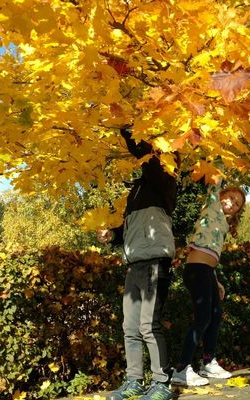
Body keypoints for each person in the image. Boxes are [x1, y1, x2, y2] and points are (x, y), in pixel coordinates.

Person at [98, 127, 177, 400]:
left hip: (156, 261)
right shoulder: (136, 194)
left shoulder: (164, 178)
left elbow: (147, 156)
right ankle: (134, 381)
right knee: (130, 328)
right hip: (134, 264)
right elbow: (132, 229)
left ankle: (161, 384)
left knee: (148, 326)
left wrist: (127, 129)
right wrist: (114, 235)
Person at [170, 174, 246, 387]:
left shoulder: (222, 224)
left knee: (215, 314)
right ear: (221, 194)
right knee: (203, 317)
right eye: (230, 197)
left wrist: (216, 281)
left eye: (236, 204)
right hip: (196, 269)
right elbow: (215, 176)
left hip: (207, 271)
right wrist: (221, 148)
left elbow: (211, 256)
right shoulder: (212, 206)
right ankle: (182, 369)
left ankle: (208, 362)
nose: (231, 204)